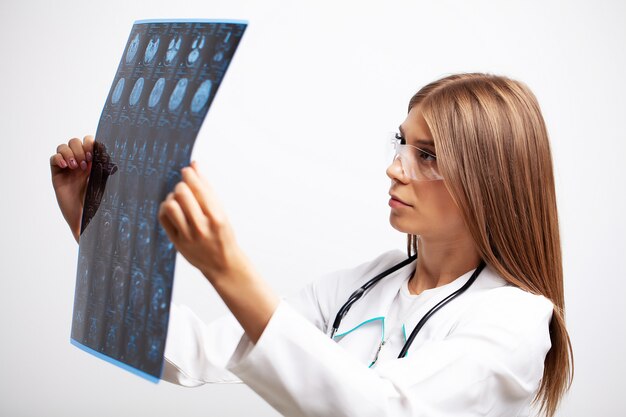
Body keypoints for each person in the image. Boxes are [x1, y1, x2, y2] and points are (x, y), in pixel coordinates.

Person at [50, 72, 573, 417]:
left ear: (489, 180)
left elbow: (382, 410)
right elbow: (195, 354)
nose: (394, 169)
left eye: (428, 155)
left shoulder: (515, 320)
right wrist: (97, 235)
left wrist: (228, 268)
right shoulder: (366, 283)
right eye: (402, 144)